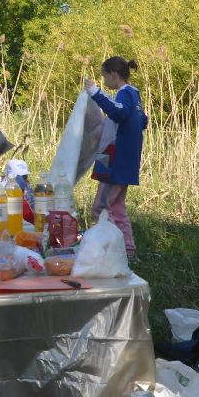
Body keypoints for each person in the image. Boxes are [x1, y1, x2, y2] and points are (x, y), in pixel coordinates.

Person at [86, 56, 146, 260]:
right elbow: (142, 120)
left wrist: (95, 93)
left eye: (104, 76)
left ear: (113, 74)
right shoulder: (135, 96)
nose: (104, 81)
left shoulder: (126, 94)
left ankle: (113, 252)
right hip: (125, 163)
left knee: (100, 208)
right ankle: (129, 252)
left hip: (115, 162)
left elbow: (118, 113)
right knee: (118, 208)